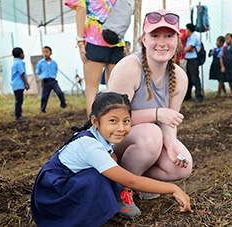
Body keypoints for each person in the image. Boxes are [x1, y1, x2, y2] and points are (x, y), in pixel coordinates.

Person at [30, 92, 192, 226]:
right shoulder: (90, 146)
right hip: (53, 197)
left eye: (126, 121)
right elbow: (132, 181)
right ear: (95, 121)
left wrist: (112, 157)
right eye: (113, 121)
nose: (121, 128)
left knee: (110, 167)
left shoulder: (97, 136)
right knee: (101, 177)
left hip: (60, 184)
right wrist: (173, 189)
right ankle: (72, 219)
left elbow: (111, 157)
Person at [108, 9, 193, 218]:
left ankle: (140, 180)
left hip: (145, 141)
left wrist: (171, 145)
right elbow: (111, 121)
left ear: (177, 41)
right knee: (151, 135)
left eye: (169, 36)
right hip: (115, 139)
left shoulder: (179, 77)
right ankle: (121, 188)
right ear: (143, 39)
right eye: (155, 35)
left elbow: (170, 121)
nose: (162, 42)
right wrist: (156, 113)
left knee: (183, 166)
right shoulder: (130, 67)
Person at [65, 0, 126, 117]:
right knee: (114, 89)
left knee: (91, 90)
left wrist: (80, 41)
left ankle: (93, 130)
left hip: (95, 39)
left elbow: (81, 9)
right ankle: (113, 125)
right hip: (117, 40)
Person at [36, 46, 67, 113]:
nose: (45, 54)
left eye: (47, 52)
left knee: (60, 92)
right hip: (45, 81)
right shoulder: (40, 63)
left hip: (53, 81)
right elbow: (38, 72)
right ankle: (42, 110)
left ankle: (63, 105)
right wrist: (41, 81)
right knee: (44, 96)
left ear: (51, 53)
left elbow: (55, 71)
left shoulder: (54, 63)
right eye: (43, 52)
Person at [184, 23, 204, 103]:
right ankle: (188, 95)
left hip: (193, 60)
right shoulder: (190, 38)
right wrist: (187, 49)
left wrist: (185, 49)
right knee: (189, 78)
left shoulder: (193, 38)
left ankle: (199, 96)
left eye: (186, 29)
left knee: (194, 78)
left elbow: (188, 48)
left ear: (188, 30)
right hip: (189, 59)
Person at [11, 47, 30, 121]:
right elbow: (22, 74)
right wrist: (26, 84)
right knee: (19, 100)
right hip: (19, 84)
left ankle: (19, 115)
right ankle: (18, 116)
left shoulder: (15, 62)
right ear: (21, 54)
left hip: (15, 85)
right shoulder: (20, 63)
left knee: (18, 100)